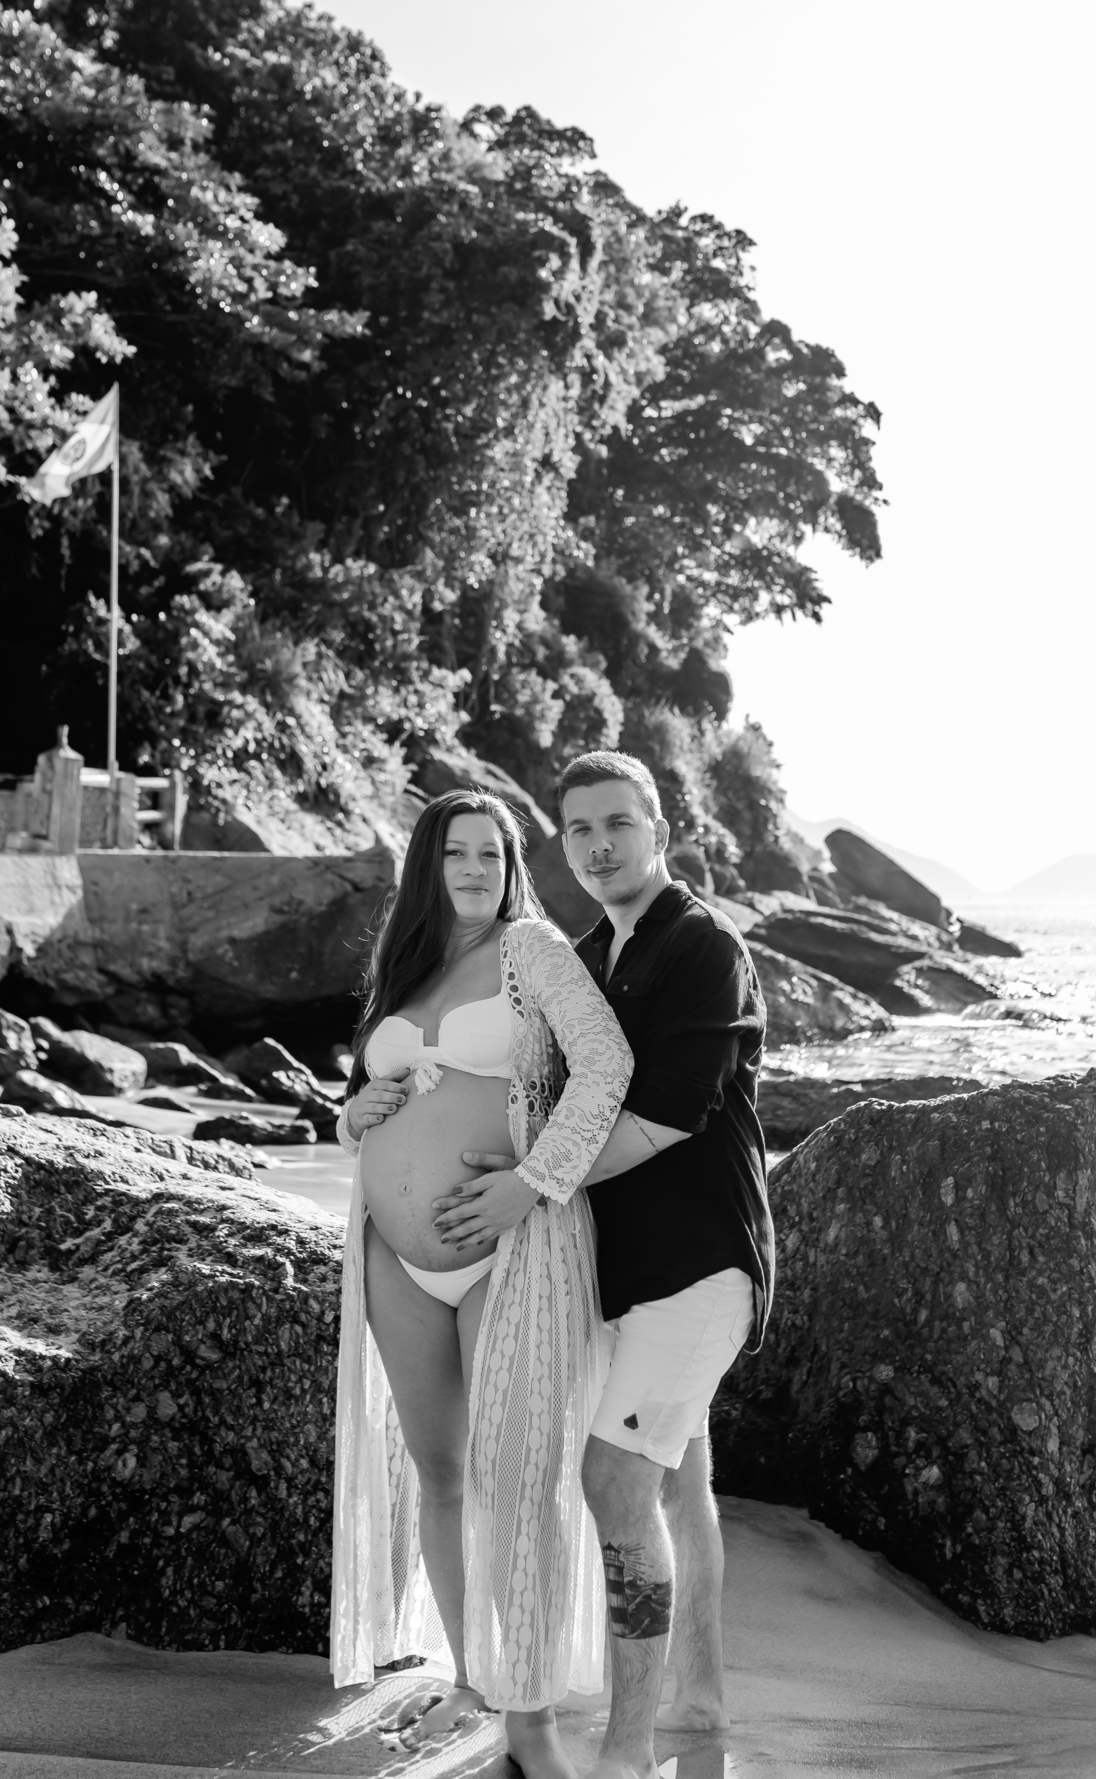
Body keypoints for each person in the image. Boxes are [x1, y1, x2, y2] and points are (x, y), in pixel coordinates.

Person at [435, 751, 774, 1779]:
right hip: (617, 1270)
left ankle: (627, 1754)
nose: (598, 846)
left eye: (619, 824)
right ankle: (698, 1704)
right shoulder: (589, 950)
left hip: (702, 1264)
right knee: (683, 1483)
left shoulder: (702, 946)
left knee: (614, 1478)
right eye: (579, 830)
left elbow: (666, 1117)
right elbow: (536, 1079)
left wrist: (533, 1182)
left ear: (660, 828)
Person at [331, 788, 633, 1779]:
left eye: (491, 855)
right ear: (429, 866)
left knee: (518, 1483)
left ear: (512, 866)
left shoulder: (533, 951)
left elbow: (606, 1064)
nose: (473, 870)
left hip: (510, 1250)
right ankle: (473, 1682)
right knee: (443, 1475)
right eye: (455, 853)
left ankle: (528, 1703)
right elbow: (365, 1107)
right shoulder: (405, 961)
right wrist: (355, 1111)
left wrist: (532, 1182)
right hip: (396, 1259)